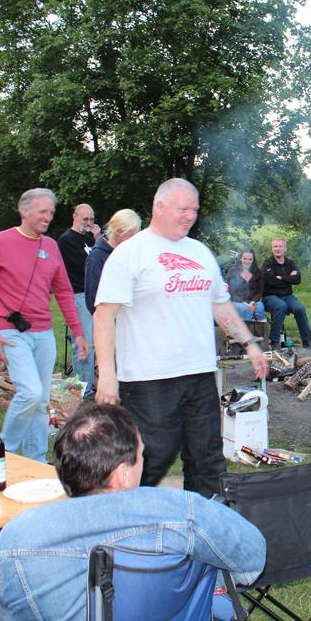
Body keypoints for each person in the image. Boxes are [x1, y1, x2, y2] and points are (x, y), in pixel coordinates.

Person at [0, 404, 266, 621]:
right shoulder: (181, 511)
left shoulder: (16, 539)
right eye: (141, 456)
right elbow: (252, 557)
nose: (144, 462)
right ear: (123, 474)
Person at [94, 178, 268, 499]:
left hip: (199, 373)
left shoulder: (199, 252)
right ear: (158, 207)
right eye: (183, 209)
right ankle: (120, 512)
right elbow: (104, 314)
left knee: (207, 457)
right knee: (150, 458)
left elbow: (220, 305)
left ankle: (205, 518)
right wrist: (106, 374)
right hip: (148, 378)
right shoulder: (130, 253)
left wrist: (250, 344)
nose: (190, 216)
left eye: (195, 210)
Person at [0, 188, 88, 461]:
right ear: (24, 211)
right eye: (42, 211)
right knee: (30, 393)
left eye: (51, 212)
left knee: (41, 401)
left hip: (43, 332)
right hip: (10, 331)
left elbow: (63, 291)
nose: (48, 217)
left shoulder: (50, 246)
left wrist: (78, 332)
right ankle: (4, 452)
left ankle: (36, 459)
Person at [57, 204, 98, 397]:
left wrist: (97, 239)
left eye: (92, 219)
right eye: (85, 219)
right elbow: (87, 266)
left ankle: (86, 386)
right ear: (74, 217)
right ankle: (82, 390)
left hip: (93, 295)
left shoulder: (90, 239)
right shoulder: (67, 240)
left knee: (93, 343)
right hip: (78, 295)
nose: (89, 223)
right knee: (83, 343)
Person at [84, 209, 142, 315]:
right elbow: (92, 300)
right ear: (119, 232)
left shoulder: (131, 254)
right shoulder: (97, 257)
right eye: (132, 235)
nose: (136, 241)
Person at [261, 238, 311, 349]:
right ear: (272, 249)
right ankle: (274, 341)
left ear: (285, 248)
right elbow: (270, 281)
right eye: (275, 246)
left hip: (287, 296)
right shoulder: (267, 264)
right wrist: (288, 278)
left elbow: (297, 279)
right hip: (270, 296)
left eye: (280, 246)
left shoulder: (290, 263)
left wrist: (281, 278)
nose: (277, 249)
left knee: (299, 308)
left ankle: (307, 340)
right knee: (281, 306)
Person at [225, 247, 267, 322]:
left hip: (253, 301)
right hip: (236, 301)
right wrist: (243, 302)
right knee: (246, 309)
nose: (247, 261)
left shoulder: (257, 272)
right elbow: (231, 292)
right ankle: (246, 329)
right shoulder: (233, 270)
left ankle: (261, 329)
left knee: (260, 308)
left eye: (250, 259)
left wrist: (253, 301)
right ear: (240, 259)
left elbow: (260, 291)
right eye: (245, 258)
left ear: (253, 260)